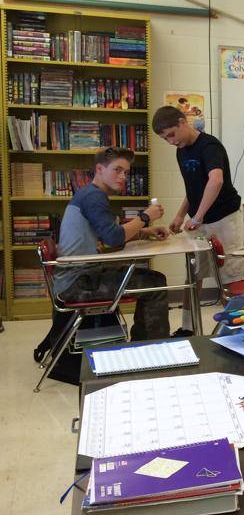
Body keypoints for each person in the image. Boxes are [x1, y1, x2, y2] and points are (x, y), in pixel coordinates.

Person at [33, 147, 170, 376]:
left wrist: (145, 231)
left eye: (126, 172)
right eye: (117, 170)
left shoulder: (89, 194)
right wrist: (145, 217)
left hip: (76, 277)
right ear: (99, 169)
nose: (123, 177)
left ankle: (142, 347)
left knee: (151, 279)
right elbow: (113, 238)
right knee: (155, 283)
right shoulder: (94, 197)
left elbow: (108, 233)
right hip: (78, 283)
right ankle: (151, 354)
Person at [152, 105, 244, 337]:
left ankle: (238, 329)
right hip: (200, 219)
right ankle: (187, 328)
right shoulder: (181, 151)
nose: (170, 141)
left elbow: (216, 181)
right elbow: (194, 188)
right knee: (194, 276)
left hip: (224, 217)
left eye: (171, 134)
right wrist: (180, 215)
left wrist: (197, 217)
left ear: (183, 122)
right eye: (165, 139)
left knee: (230, 277)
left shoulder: (209, 146)